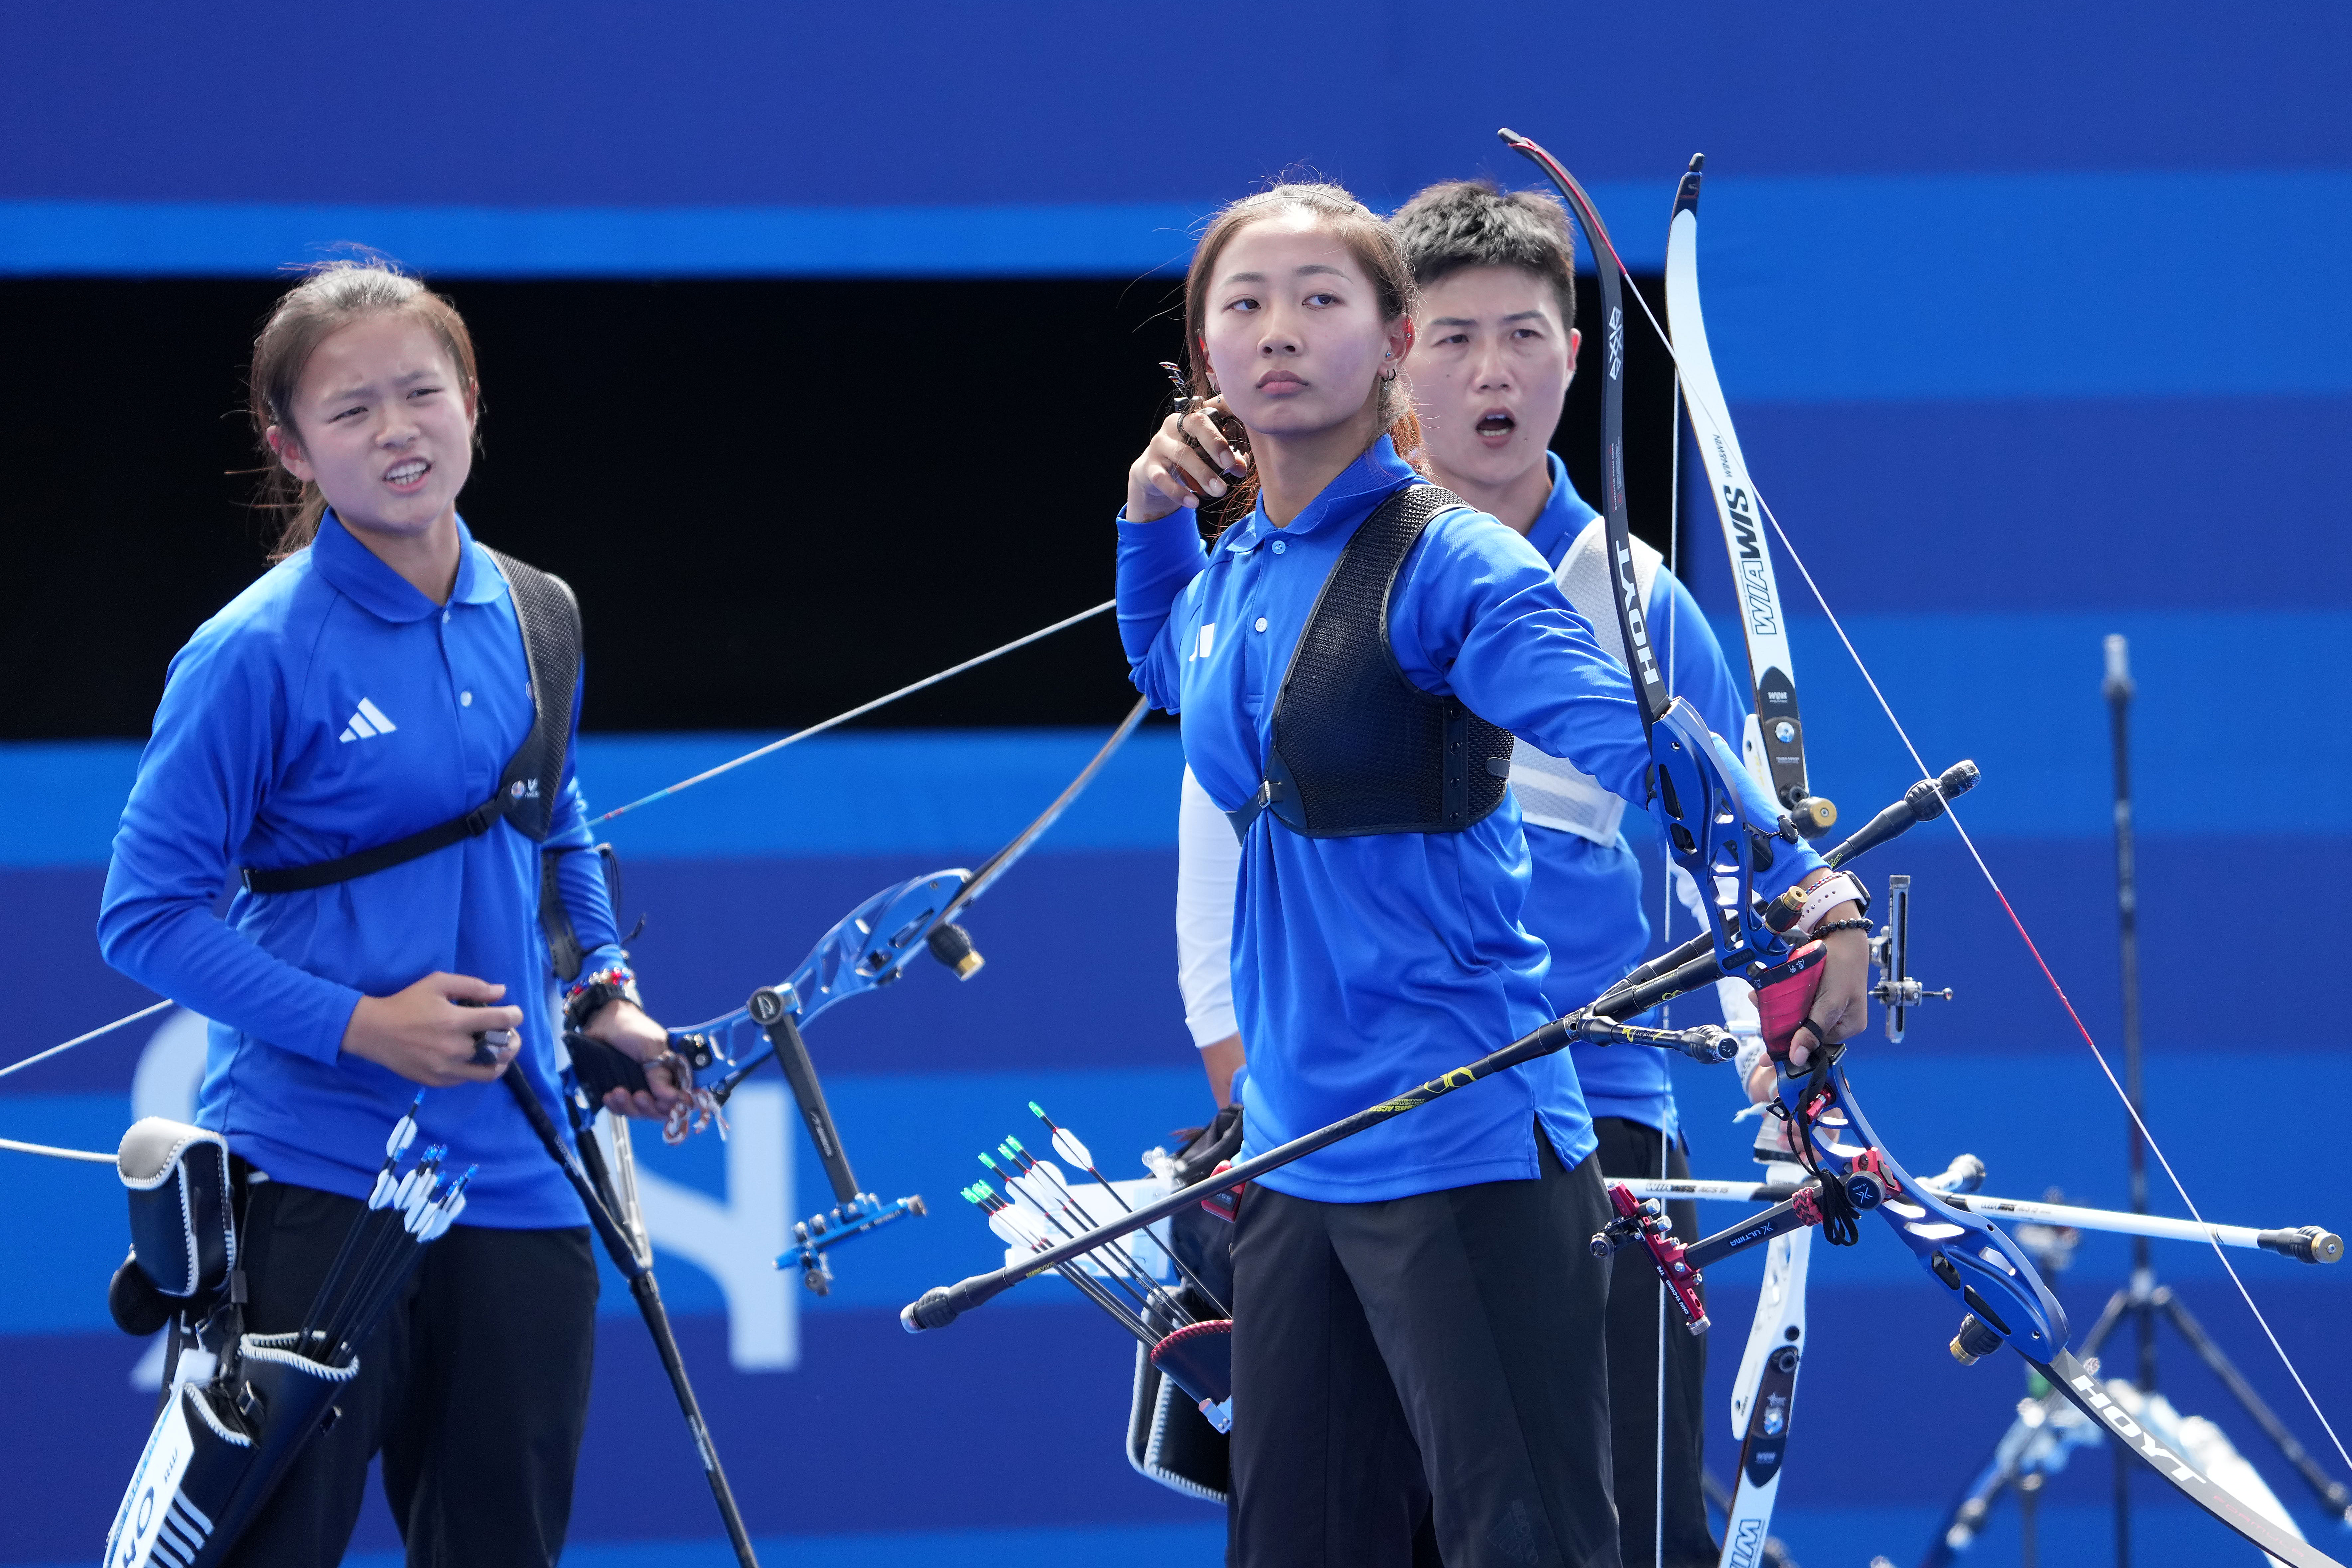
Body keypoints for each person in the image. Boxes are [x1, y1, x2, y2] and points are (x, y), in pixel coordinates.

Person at [1118, 181, 1871, 1568]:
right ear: (1203, 353)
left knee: (1530, 1546)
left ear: (1386, 342)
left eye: (1319, 302)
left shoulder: (1452, 565)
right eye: (1244, 305)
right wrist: (1150, 511)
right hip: (1298, 1158)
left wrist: (1802, 881)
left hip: (1460, 1145)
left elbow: (1633, 741)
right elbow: (1173, 667)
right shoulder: (1240, 571)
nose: (1278, 331)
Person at [97, 258, 687, 1567]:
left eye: (419, 393)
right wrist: (363, 1026)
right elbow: (142, 917)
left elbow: (556, 823)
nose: (395, 430)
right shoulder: (250, 651)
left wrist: (604, 997)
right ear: (290, 449)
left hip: (527, 1183)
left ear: (472, 403)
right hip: (315, 1179)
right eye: (349, 410)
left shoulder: (540, 612)